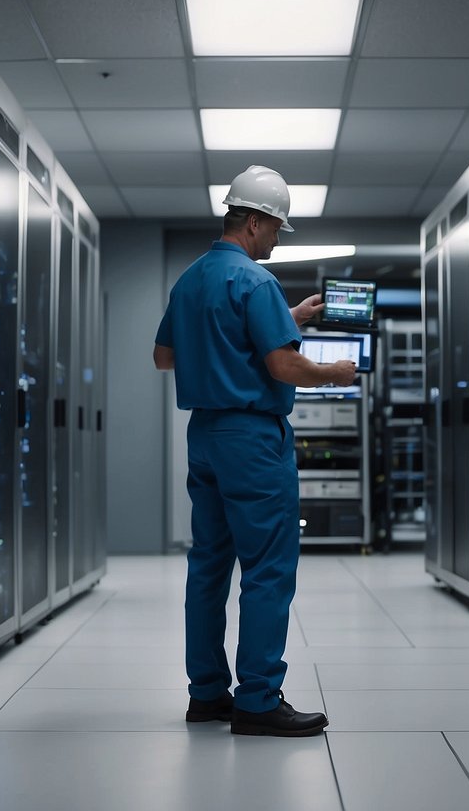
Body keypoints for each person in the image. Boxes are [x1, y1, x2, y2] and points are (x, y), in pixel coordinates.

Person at [153, 165, 357, 737]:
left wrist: (284, 321)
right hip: (253, 441)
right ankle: (260, 700)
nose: (275, 240)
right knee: (268, 568)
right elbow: (283, 366)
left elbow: (165, 357)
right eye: (275, 229)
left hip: (206, 438)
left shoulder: (191, 279)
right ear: (254, 220)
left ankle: (207, 695)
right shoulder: (256, 281)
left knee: (209, 564)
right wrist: (334, 371)